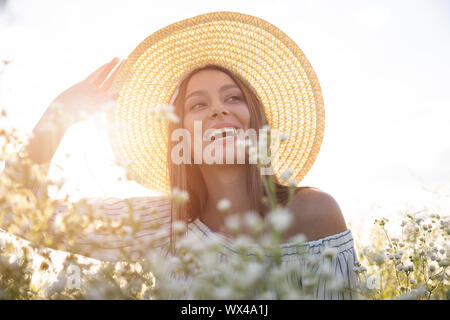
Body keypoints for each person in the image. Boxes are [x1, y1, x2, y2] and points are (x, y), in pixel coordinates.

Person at [5, 12, 359, 299]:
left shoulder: (313, 212)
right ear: (181, 134)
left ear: (255, 120)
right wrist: (57, 117)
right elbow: (14, 213)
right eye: (198, 104)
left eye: (233, 98)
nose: (219, 110)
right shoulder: (160, 225)